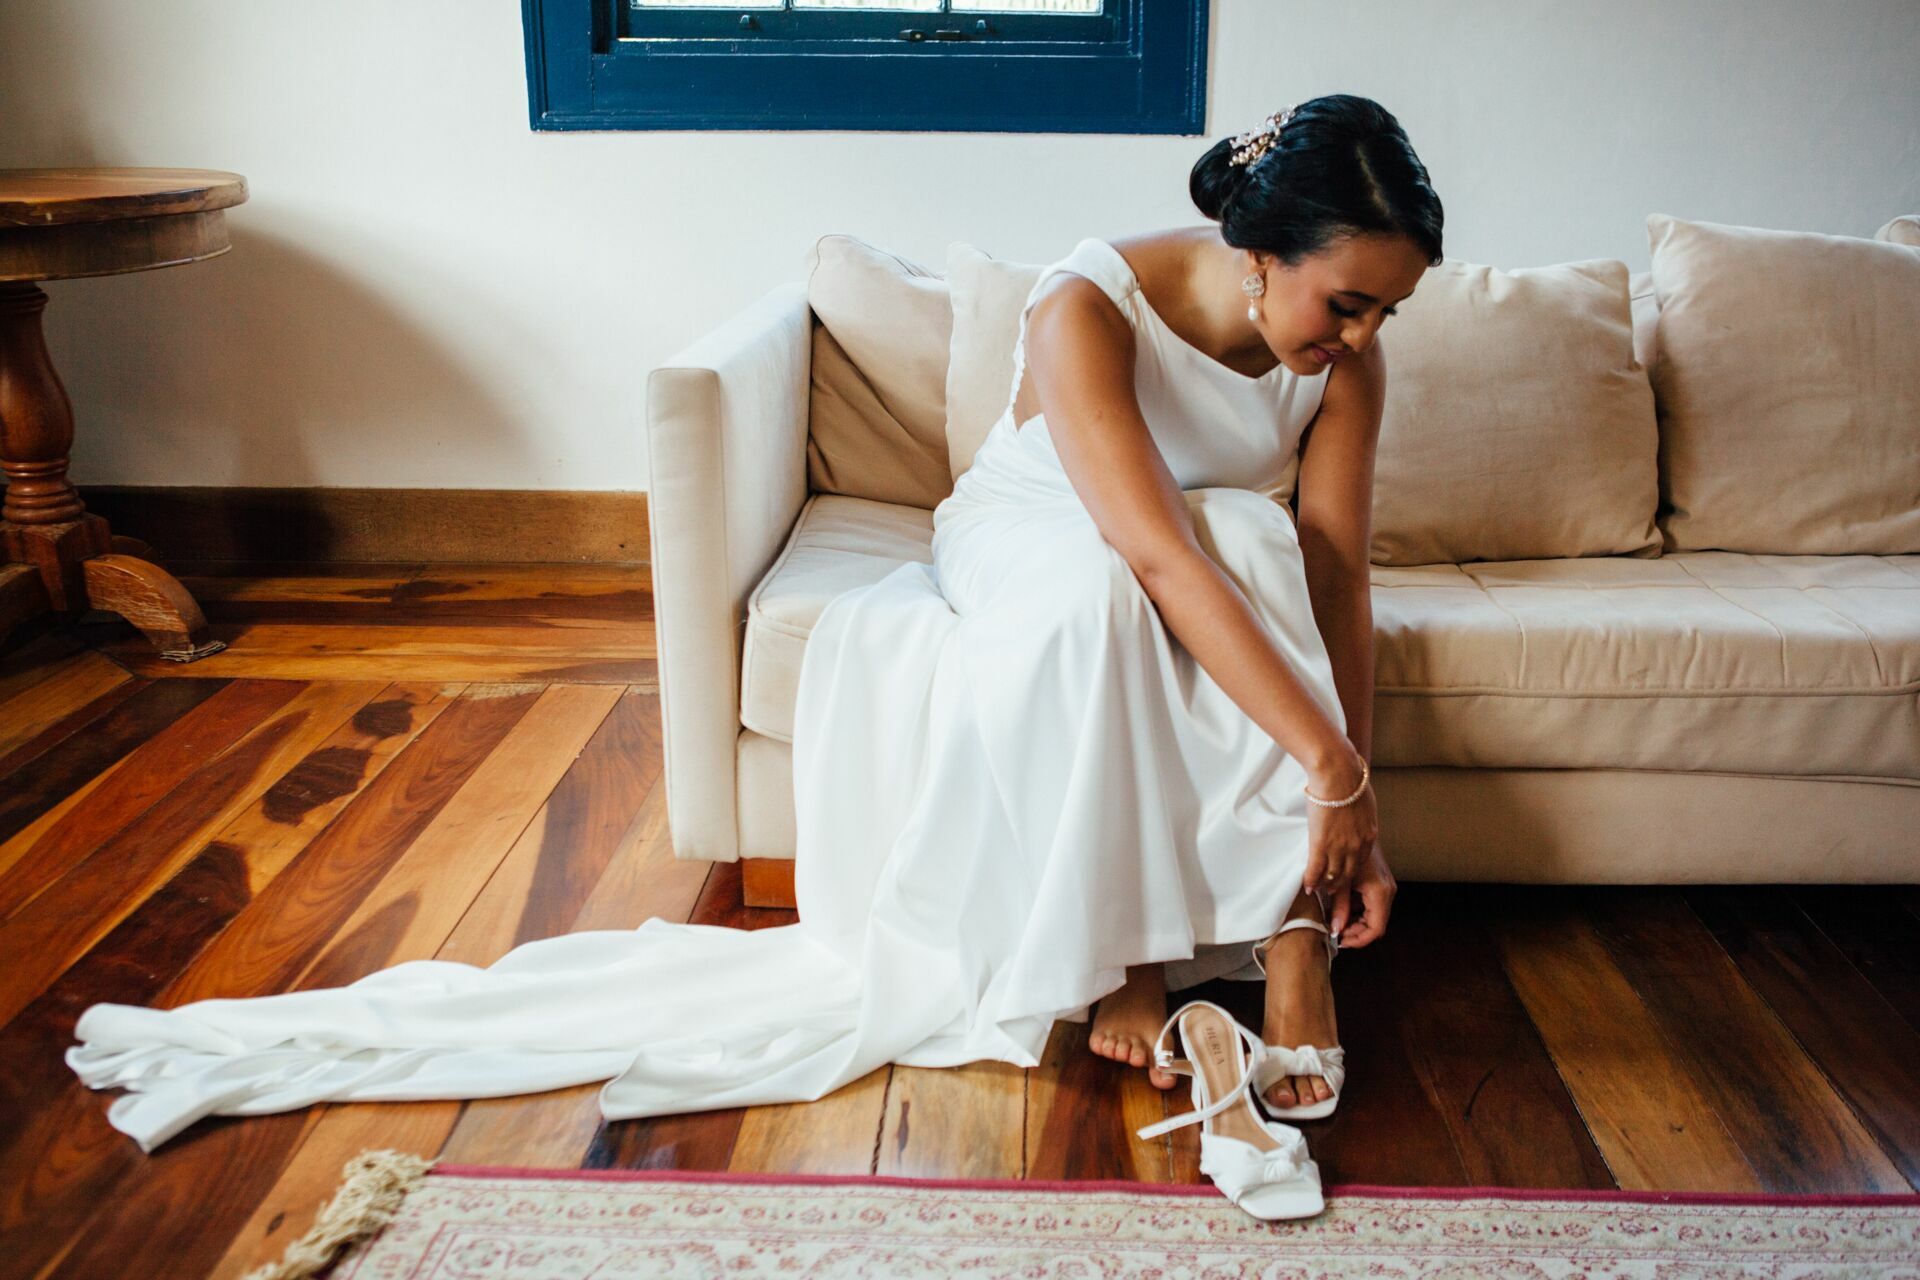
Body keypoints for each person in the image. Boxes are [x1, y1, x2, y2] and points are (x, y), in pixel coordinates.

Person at [65, 94, 1443, 1174]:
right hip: (1041, 527)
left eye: (1388, 310)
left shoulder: (1348, 365)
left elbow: (1333, 561)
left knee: (1256, 539)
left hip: (1193, 539)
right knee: (1112, 592)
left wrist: (1354, 792)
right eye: (1346, 301)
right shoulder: (1089, 301)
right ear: (1258, 250)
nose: (1364, 335)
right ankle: (1120, 955)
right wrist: (1326, 764)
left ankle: (1293, 945)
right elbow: (1140, 540)